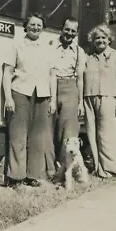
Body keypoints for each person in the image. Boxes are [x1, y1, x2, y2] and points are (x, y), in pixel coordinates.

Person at [2, 12, 57, 188]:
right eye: (32, 24)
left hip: (42, 94)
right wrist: (8, 97)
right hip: (20, 92)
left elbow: (52, 75)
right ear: (26, 26)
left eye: (39, 25)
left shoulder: (47, 49)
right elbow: (7, 72)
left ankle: (33, 175)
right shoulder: (17, 45)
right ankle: (16, 177)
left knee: (38, 137)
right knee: (18, 135)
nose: (35, 27)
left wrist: (53, 99)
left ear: (43, 28)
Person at [83, 24, 116, 179]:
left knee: (109, 134)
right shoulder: (88, 57)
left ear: (109, 40)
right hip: (89, 98)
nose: (100, 41)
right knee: (92, 133)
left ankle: (112, 168)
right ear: (93, 40)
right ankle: (98, 167)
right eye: (97, 38)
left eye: (103, 38)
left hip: (109, 98)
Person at [46, 17, 86, 177]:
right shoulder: (50, 46)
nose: (69, 33)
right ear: (62, 28)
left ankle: (67, 170)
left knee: (68, 131)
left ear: (77, 33)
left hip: (70, 88)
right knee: (48, 129)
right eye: (67, 29)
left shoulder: (79, 51)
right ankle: (49, 169)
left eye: (73, 31)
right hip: (50, 86)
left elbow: (81, 78)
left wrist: (81, 102)